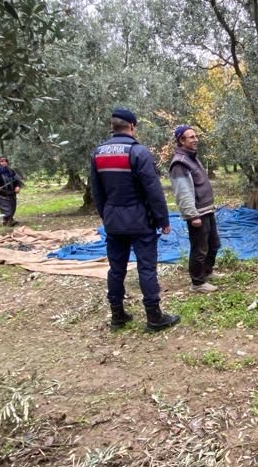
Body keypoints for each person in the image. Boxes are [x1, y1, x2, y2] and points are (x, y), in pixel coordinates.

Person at [90, 107, 180, 332]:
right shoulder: (138, 152)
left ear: (113, 126)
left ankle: (117, 316)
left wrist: (107, 215)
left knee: (116, 268)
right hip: (140, 221)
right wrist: (163, 220)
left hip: (113, 221)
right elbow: (153, 191)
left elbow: (97, 192)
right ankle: (154, 316)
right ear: (132, 126)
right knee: (146, 268)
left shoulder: (98, 153)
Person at [169, 125, 221, 293]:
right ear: (181, 140)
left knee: (213, 244)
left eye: (195, 136)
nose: (195, 139)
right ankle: (197, 283)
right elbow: (182, 192)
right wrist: (192, 215)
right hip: (197, 213)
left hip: (206, 210)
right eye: (191, 137)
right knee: (199, 248)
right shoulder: (180, 163)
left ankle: (207, 272)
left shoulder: (192, 158)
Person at [0, 155, 24, 226]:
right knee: (5, 208)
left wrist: (17, 186)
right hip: (1, 193)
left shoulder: (11, 171)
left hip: (11, 192)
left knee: (12, 206)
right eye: (2, 161)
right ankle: (7, 221)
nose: (4, 163)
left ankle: (10, 220)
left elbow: (17, 180)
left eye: (5, 161)